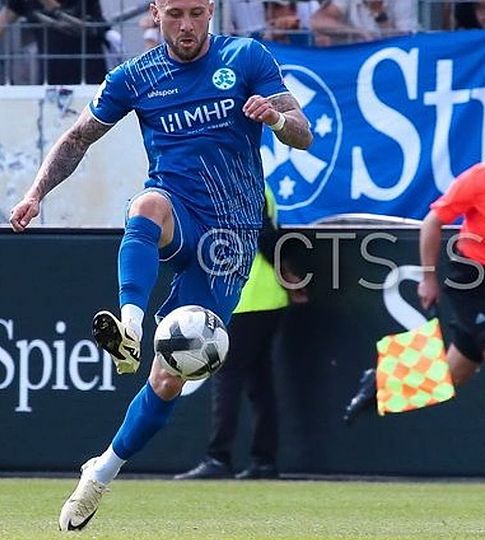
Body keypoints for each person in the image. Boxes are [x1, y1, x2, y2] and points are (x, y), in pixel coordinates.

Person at [8, 0, 312, 530]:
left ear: (211, 10)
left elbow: (303, 132)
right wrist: (36, 193)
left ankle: (101, 471)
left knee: (169, 379)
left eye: (195, 12)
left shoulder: (246, 57)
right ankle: (130, 325)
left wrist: (277, 118)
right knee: (147, 206)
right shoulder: (134, 76)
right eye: (175, 14)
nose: (186, 25)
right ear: (155, 13)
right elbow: (78, 137)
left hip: (230, 238)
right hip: (178, 207)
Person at [344, 108, 485, 486]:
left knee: (451, 378)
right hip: (470, 278)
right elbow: (433, 221)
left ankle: (380, 381)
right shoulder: (479, 178)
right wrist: (428, 278)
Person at [174, 185, 307, 481]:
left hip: (246, 298)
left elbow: (265, 237)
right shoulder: (258, 185)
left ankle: (219, 457)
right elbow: (271, 235)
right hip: (268, 297)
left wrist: (287, 274)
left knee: (228, 375)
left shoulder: (238, 185)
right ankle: (264, 460)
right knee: (260, 380)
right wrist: (287, 276)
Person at [0, 0, 108, 84]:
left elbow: (91, 27)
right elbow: (3, 21)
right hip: (50, 81)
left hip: (89, 80)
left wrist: (52, 6)